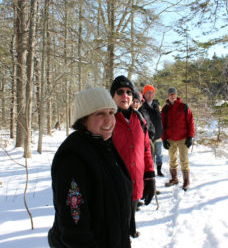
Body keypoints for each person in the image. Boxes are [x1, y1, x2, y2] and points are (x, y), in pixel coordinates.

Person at [48, 87, 133, 248]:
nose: (109, 120)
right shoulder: (73, 159)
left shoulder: (104, 146)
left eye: (111, 113)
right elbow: (74, 230)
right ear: (83, 119)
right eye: (99, 114)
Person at [110, 75, 155, 238]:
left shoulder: (139, 119)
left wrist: (150, 176)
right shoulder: (108, 120)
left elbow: (146, 150)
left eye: (129, 92)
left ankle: (132, 228)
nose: (125, 96)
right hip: (115, 185)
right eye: (120, 92)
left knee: (132, 209)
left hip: (136, 179)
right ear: (112, 96)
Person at [161, 87, 195, 191]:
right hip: (170, 139)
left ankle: (186, 181)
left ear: (176, 95)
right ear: (168, 96)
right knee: (172, 160)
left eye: (173, 94)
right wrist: (164, 139)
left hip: (183, 138)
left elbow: (191, 122)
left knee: (184, 160)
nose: (172, 96)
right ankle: (174, 179)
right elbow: (162, 125)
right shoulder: (165, 109)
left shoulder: (184, 107)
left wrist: (190, 137)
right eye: (170, 94)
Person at [140, 84, 164, 176]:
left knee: (159, 154)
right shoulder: (142, 105)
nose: (150, 94)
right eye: (148, 93)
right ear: (144, 94)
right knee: (149, 158)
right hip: (148, 137)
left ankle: (159, 170)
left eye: (152, 92)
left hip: (158, 134)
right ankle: (151, 175)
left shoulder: (156, 105)